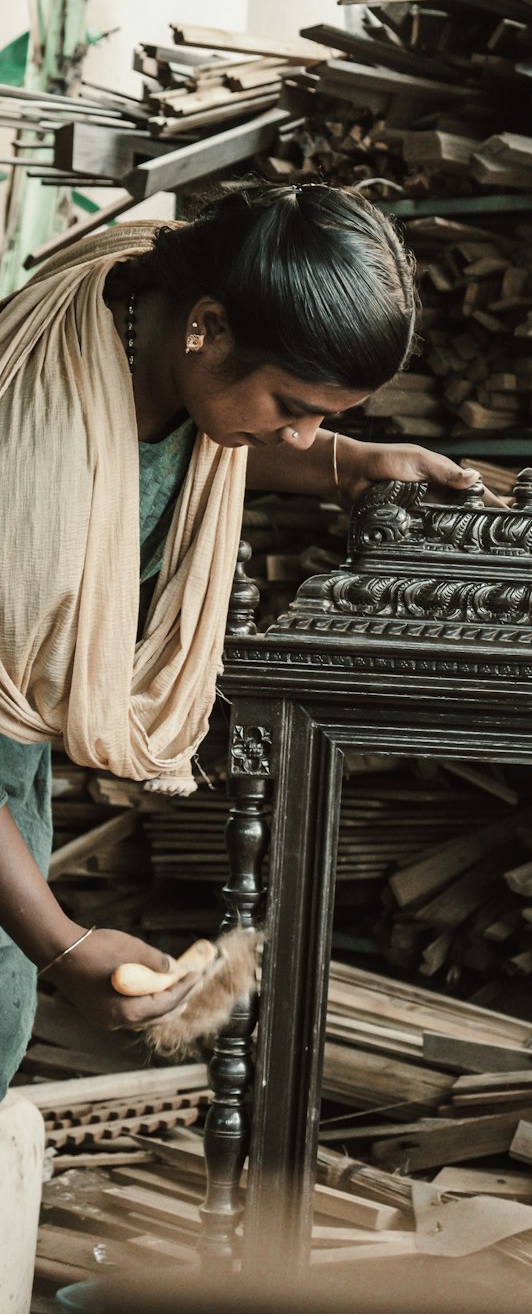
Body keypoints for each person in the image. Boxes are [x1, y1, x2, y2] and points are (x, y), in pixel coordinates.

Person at [0, 180, 479, 1097]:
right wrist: (61, 943)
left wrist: (352, 466)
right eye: (294, 404)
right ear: (209, 326)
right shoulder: (27, 437)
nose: (300, 433)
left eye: (325, 419)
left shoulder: (155, 333)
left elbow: (208, 430)